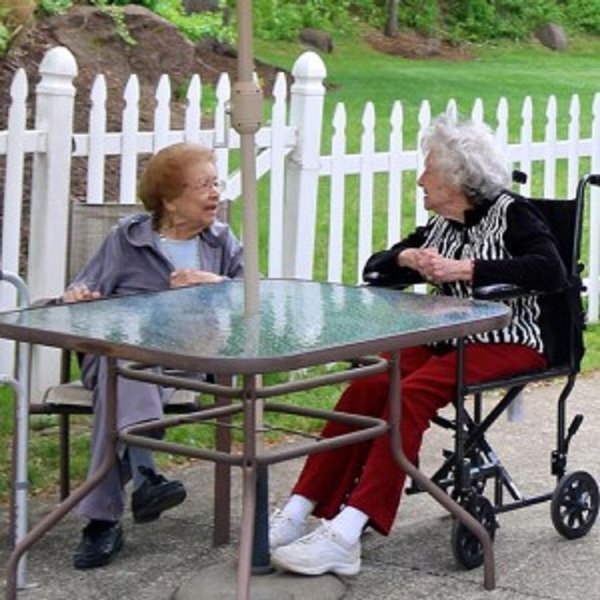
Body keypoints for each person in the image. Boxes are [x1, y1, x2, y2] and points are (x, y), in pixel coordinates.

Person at [269, 114, 568, 577]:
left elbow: (551, 271)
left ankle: (348, 531)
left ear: (456, 178)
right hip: (446, 338)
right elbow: (376, 269)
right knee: (369, 380)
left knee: (410, 394)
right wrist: (406, 257)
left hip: (510, 338)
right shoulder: (441, 224)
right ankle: (298, 508)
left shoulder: (514, 213)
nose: (420, 179)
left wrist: (468, 271)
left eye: (429, 169)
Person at [62, 142, 243, 569]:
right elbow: (81, 292)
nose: (215, 193)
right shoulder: (125, 239)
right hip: (118, 355)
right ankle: (145, 478)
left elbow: (255, 301)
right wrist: (78, 296)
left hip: (188, 360)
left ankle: (104, 520)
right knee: (125, 365)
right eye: (202, 185)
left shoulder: (220, 241)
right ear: (170, 198)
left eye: (216, 183)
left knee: (122, 383)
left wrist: (213, 282)